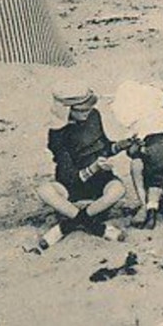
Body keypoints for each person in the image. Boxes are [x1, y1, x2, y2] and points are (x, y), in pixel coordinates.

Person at [35, 85, 129, 249]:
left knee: (118, 189)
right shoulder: (57, 134)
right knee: (44, 190)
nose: (87, 111)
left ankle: (67, 226)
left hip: (100, 182)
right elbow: (67, 176)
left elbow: (104, 147)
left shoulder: (93, 116)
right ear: (67, 110)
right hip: (71, 187)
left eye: (89, 107)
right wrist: (93, 168)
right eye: (81, 110)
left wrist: (120, 146)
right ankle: (94, 225)